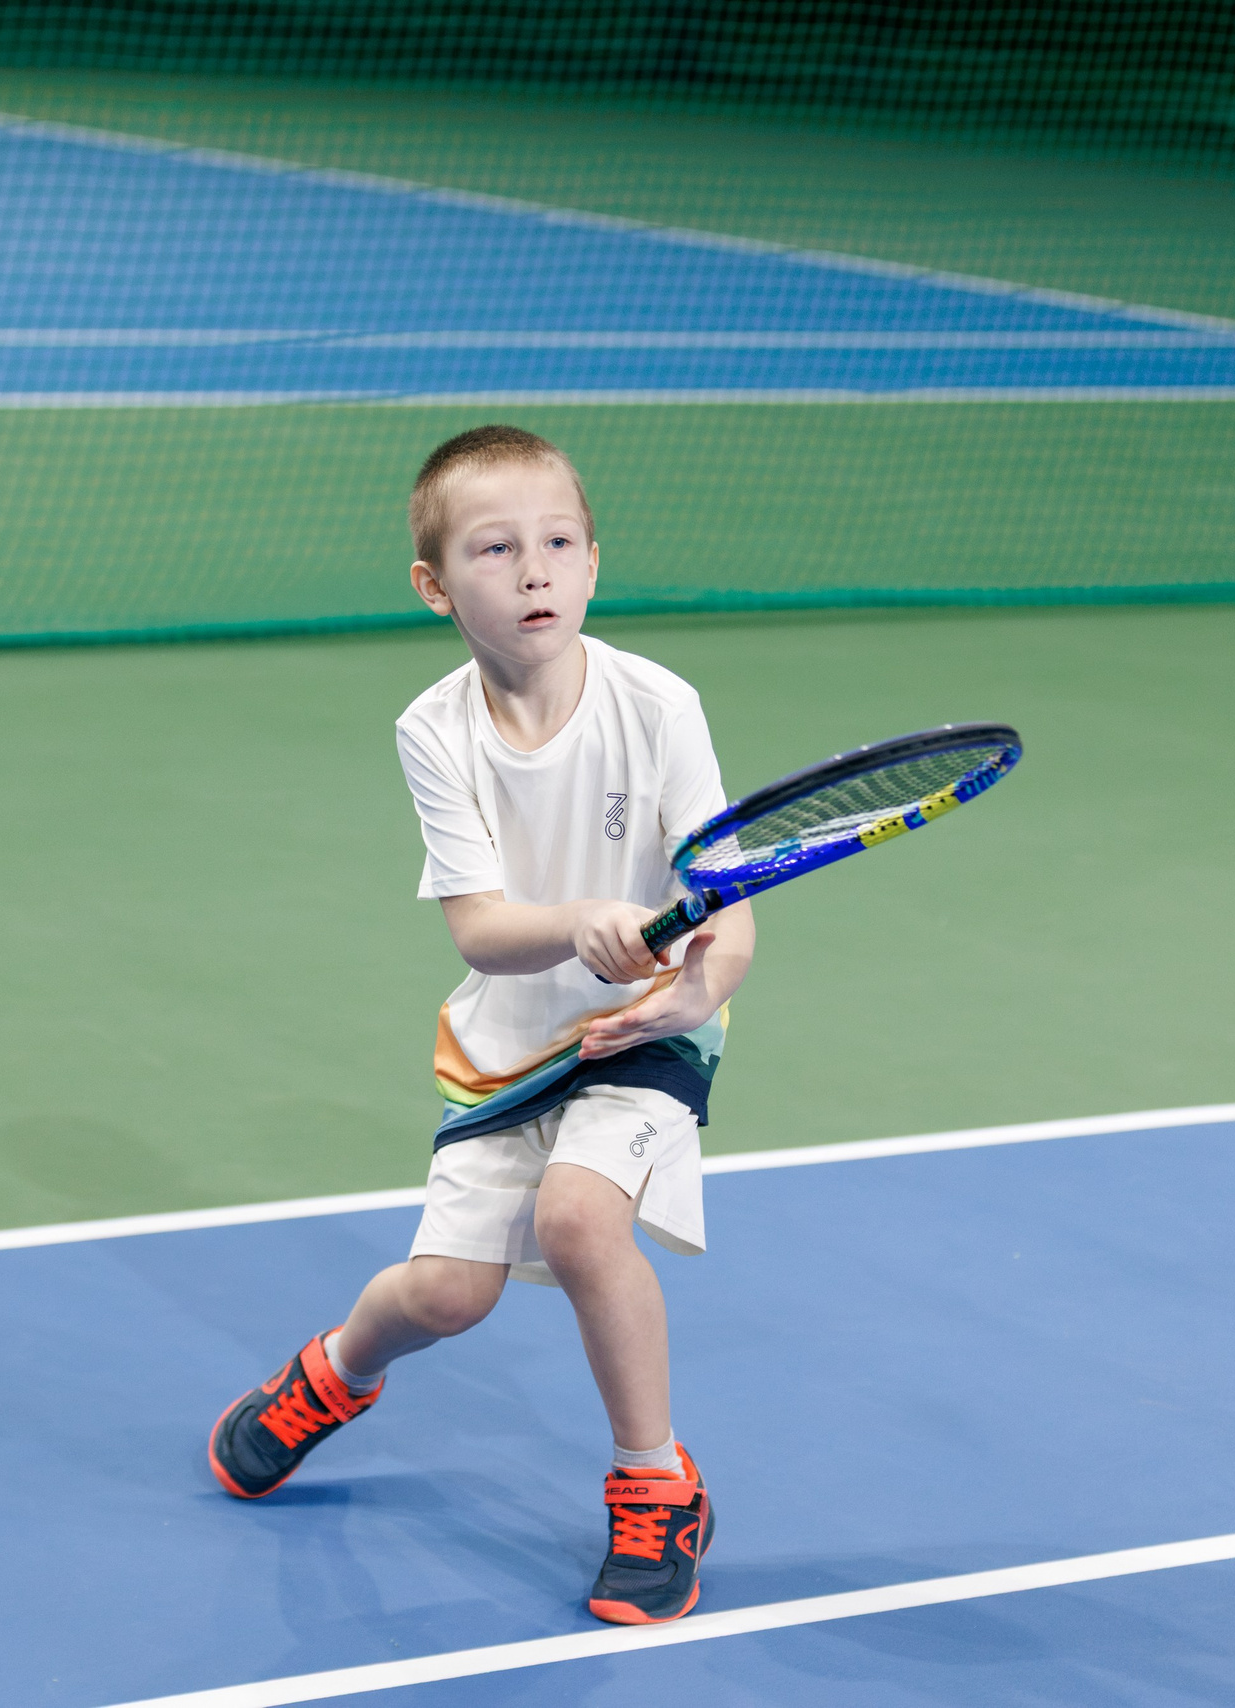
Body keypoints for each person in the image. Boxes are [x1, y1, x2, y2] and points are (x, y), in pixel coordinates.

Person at [206, 424, 755, 1626]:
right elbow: (482, 928)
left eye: (559, 543)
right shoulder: (433, 729)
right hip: (505, 1044)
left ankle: (654, 1483)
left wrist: (691, 994)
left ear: (595, 562)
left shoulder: (659, 704)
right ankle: (334, 1374)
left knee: (576, 1222)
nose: (535, 571)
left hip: (642, 1035)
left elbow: (729, 914)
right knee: (449, 1294)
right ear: (436, 584)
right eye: (497, 549)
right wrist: (585, 919)